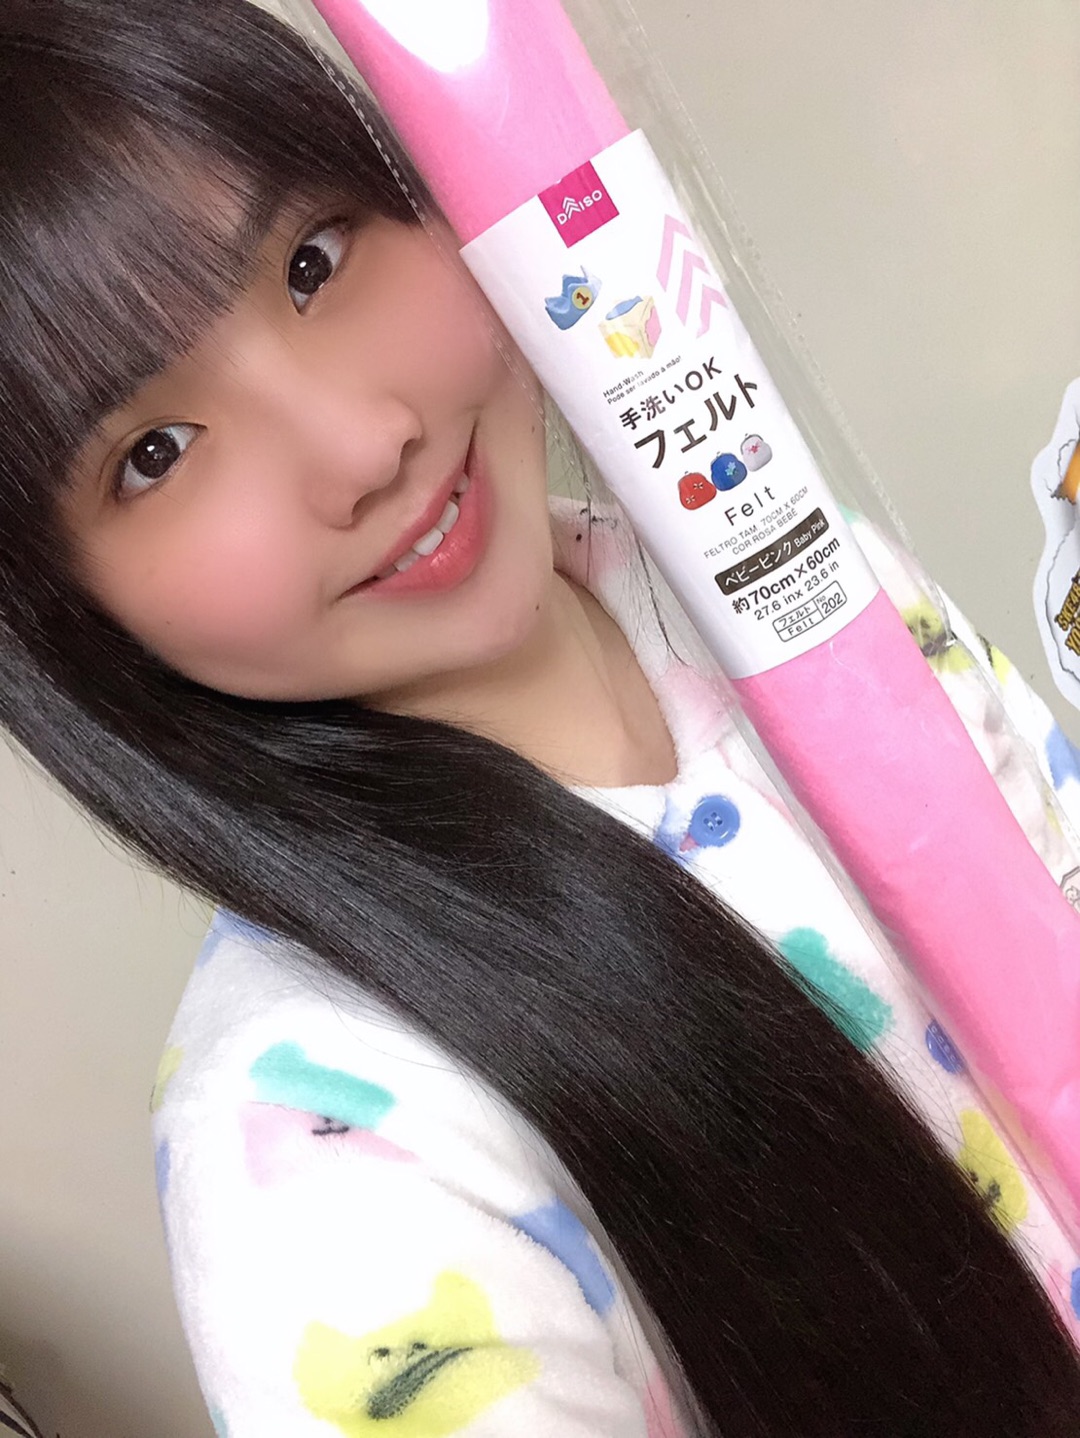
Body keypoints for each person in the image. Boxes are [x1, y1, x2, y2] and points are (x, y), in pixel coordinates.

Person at [2, 1, 1080, 1433]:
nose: (364, 443)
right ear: (65, 611)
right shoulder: (326, 1146)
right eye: (156, 451)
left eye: (313, 261)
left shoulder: (806, 590)